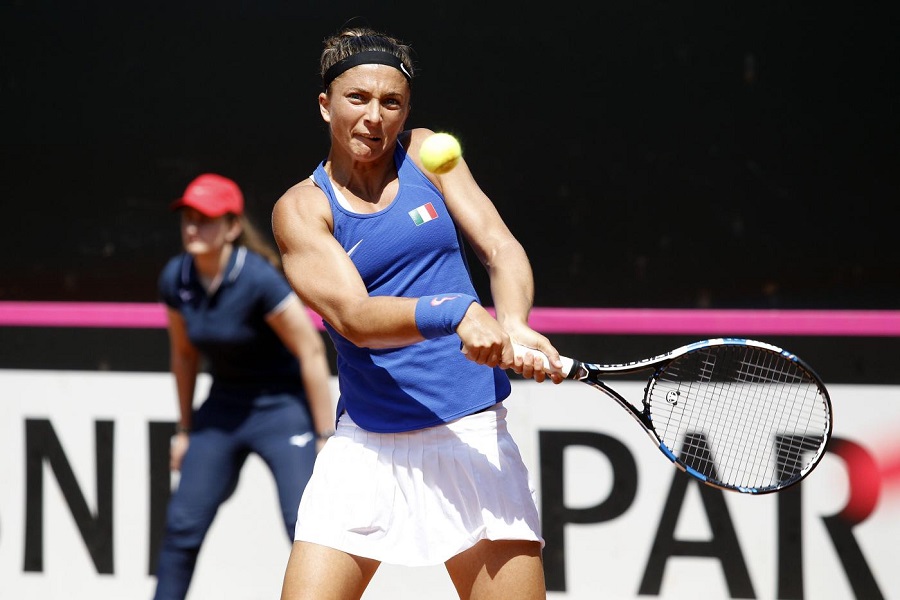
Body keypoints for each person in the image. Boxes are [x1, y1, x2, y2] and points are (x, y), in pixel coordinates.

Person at [271, 26, 565, 600]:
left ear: (406, 112)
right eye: (357, 98)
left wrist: (514, 321)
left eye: (391, 103)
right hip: (367, 447)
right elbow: (354, 316)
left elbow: (500, 247)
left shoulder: (430, 155)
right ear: (326, 104)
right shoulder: (302, 209)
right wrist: (455, 311)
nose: (373, 117)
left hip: (470, 434)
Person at [153, 173, 335, 600]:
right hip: (223, 407)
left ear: (233, 227)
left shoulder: (259, 280)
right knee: (181, 526)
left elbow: (311, 350)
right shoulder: (176, 278)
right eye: (188, 218)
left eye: (206, 219)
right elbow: (184, 356)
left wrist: (325, 435)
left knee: (305, 527)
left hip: (281, 407)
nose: (193, 228)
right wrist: (184, 431)